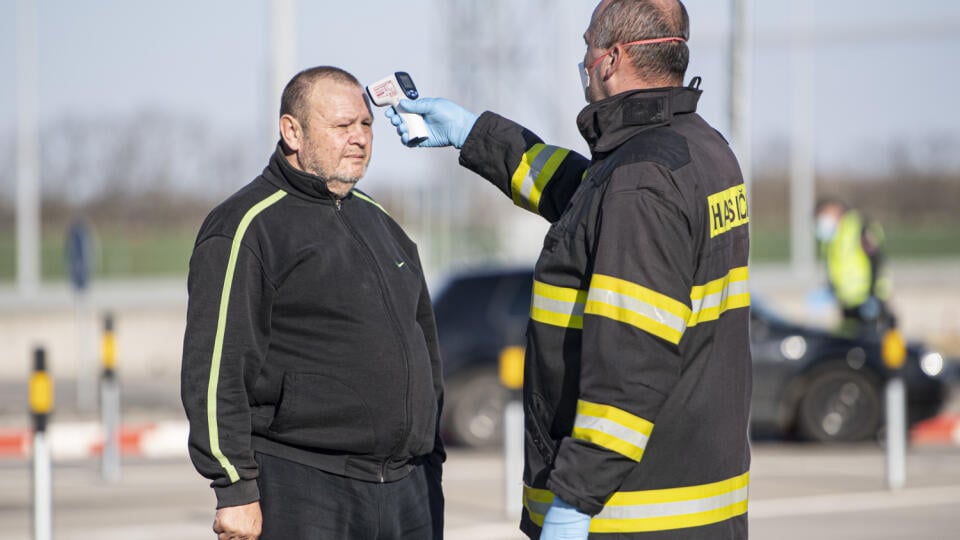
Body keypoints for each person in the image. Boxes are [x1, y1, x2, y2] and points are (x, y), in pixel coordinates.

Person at [386, 1, 751, 538]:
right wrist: (472, 133)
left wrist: (575, 500)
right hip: (700, 498)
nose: (582, 60)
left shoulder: (639, 181)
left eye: (586, 46)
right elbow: (581, 195)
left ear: (611, 58)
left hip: (632, 514)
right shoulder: (699, 150)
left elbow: (631, 364)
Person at [181, 66, 445, 540]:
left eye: (366, 125)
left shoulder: (382, 223)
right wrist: (235, 488)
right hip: (305, 487)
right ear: (292, 132)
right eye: (342, 126)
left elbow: (425, 348)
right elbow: (215, 368)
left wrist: (433, 459)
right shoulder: (245, 227)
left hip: (408, 489)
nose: (359, 138)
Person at [814, 198, 893, 334]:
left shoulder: (858, 227)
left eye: (823, 216)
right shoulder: (832, 237)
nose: (822, 221)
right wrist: (830, 289)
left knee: (873, 342)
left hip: (868, 298)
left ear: (835, 210)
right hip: (847, 301)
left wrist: (872, 294)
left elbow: (875, 260)